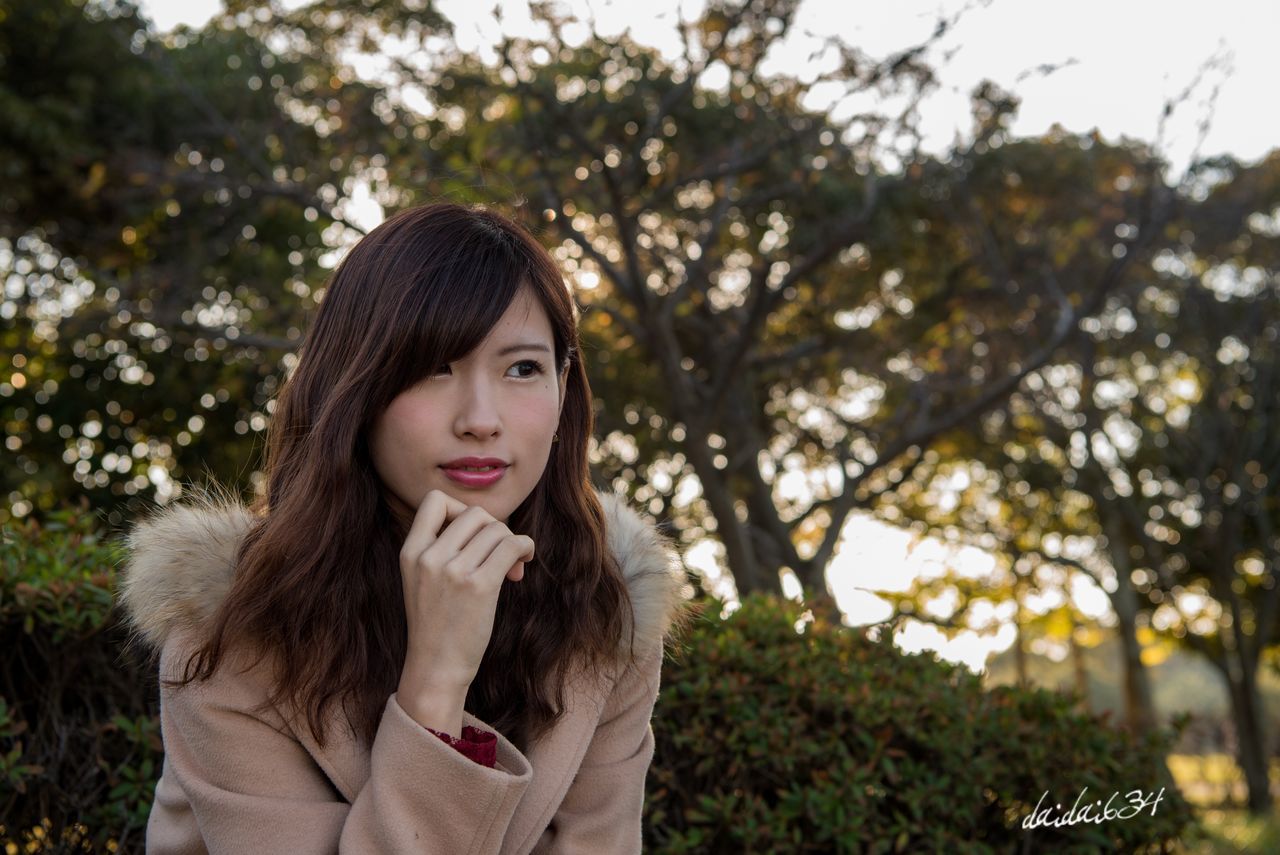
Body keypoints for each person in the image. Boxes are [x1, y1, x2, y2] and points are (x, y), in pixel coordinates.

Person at [117, 201, 693, 854]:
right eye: (432, 367)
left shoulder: (605, 610)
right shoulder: (230, 628)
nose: (481, 418)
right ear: (355, 390)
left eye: (522, 368)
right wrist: (436, 686)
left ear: (565, 387)